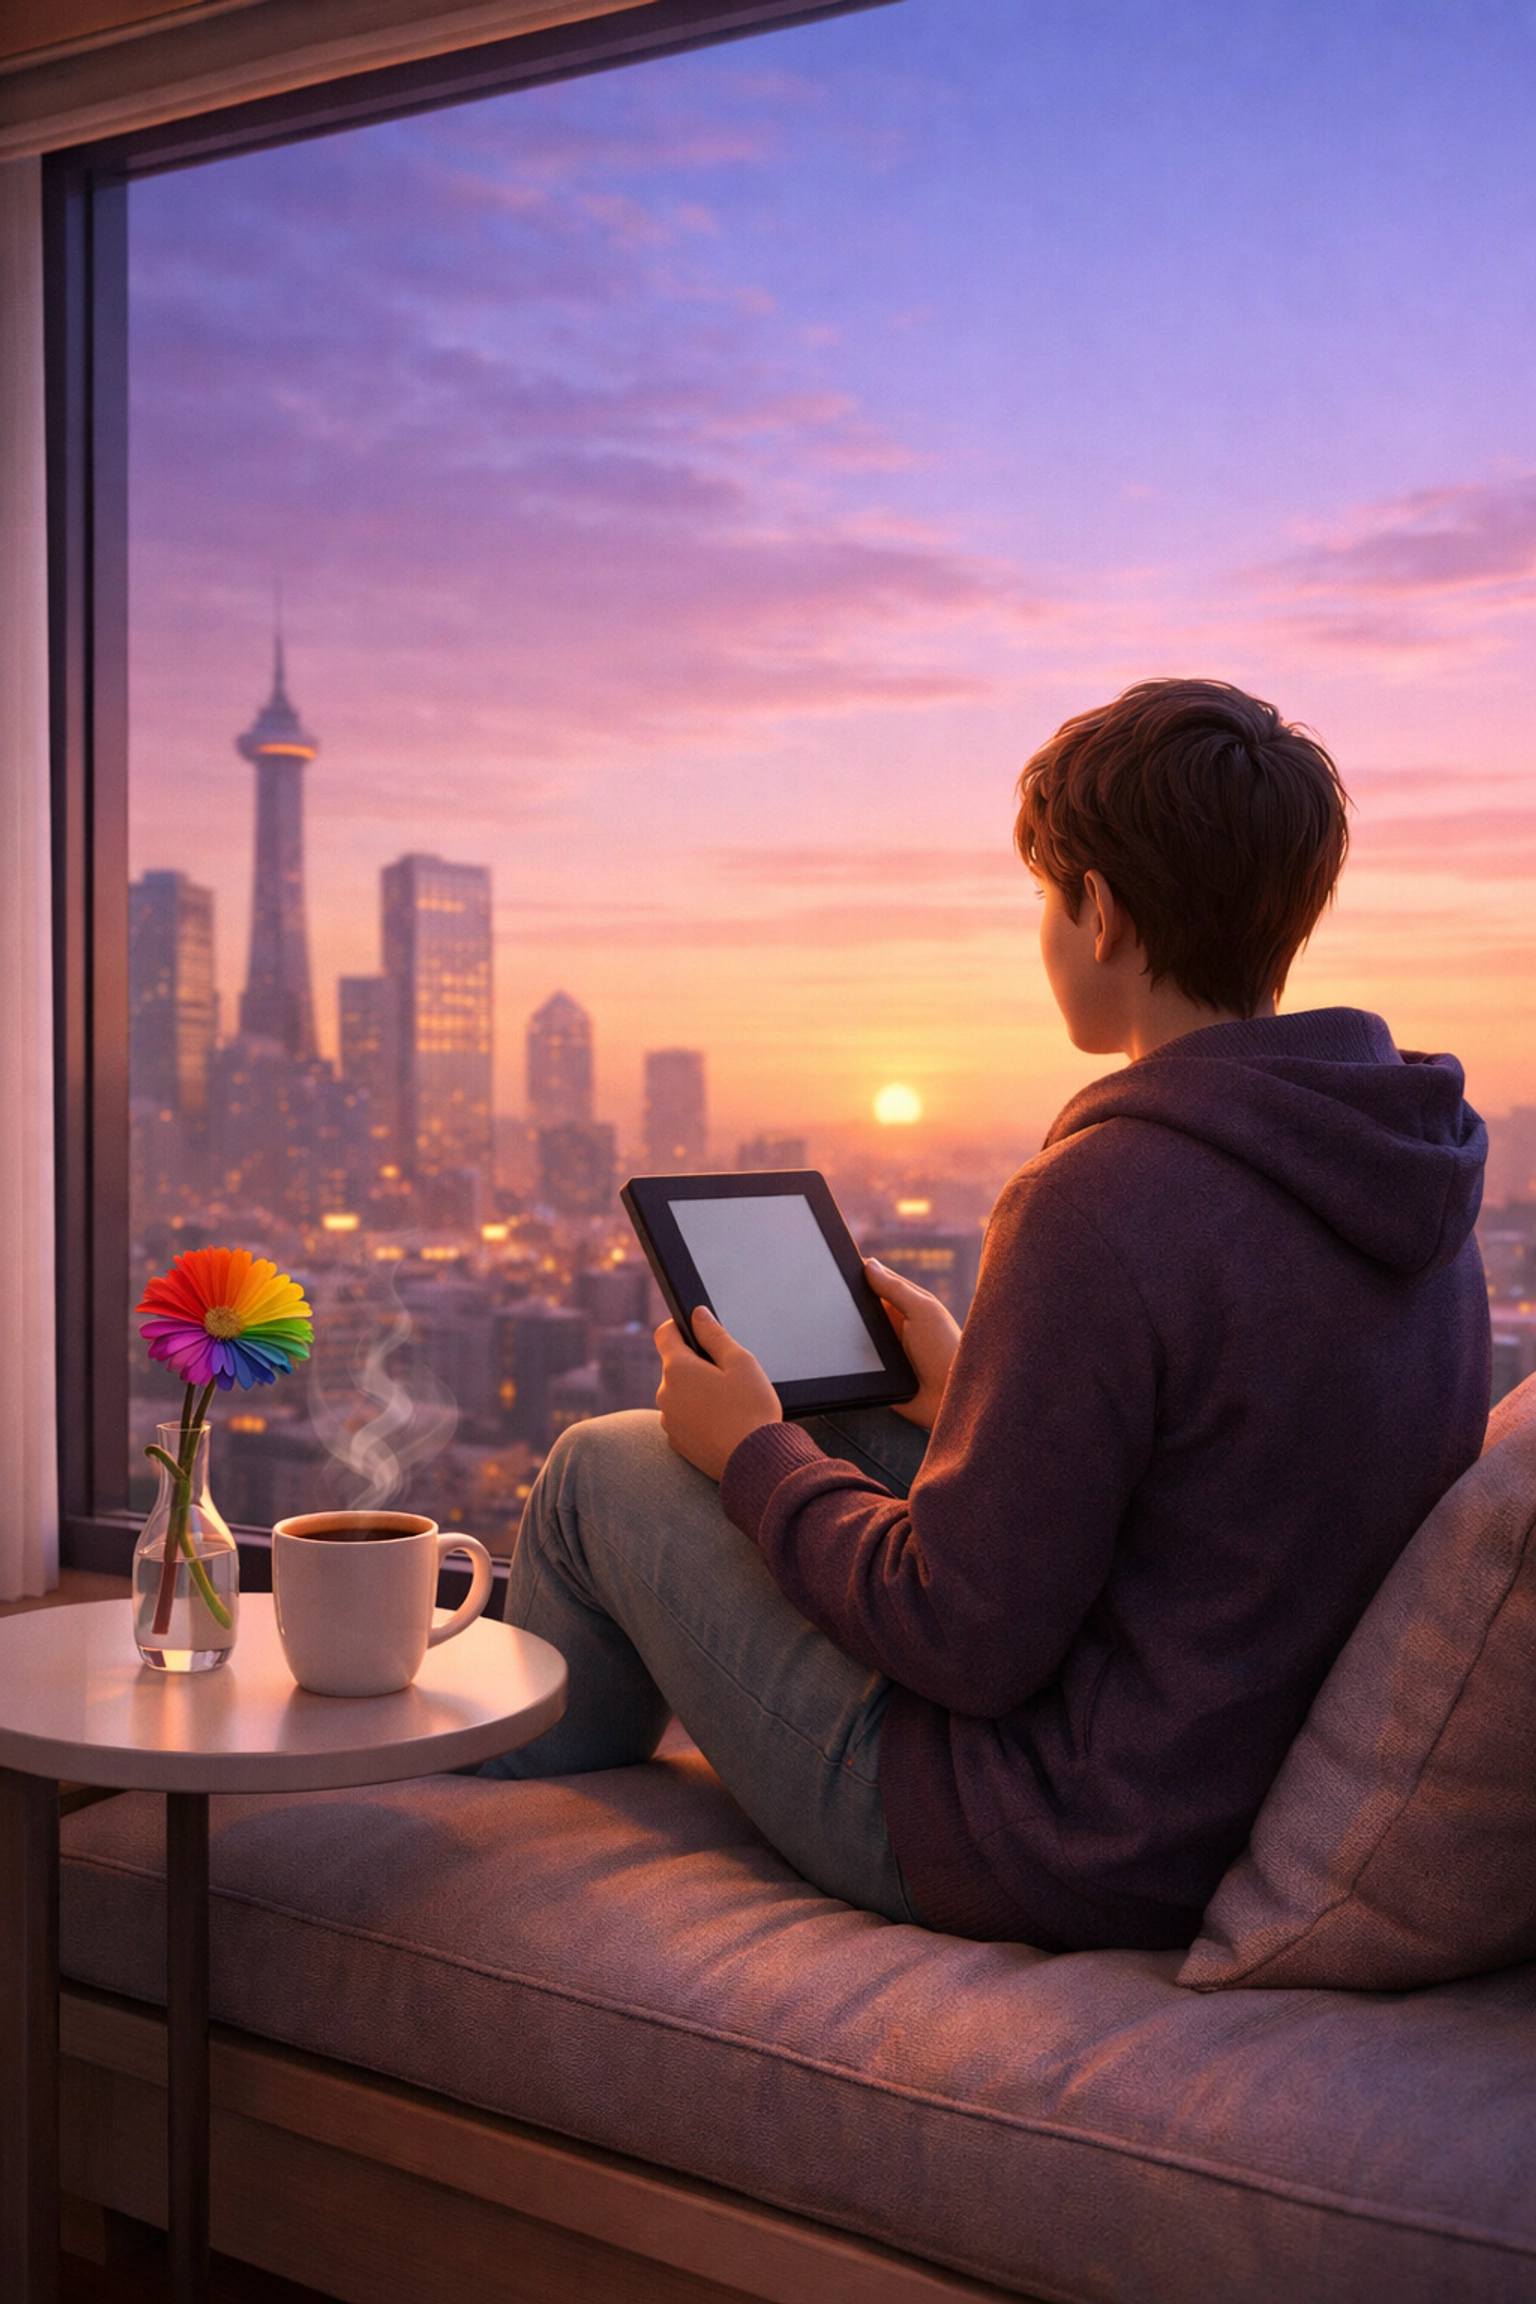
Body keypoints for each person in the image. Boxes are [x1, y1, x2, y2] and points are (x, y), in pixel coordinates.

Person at [480, 678, 1491, 1951]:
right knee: (843, 1439)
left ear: (1102, 911)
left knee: (602, 1466)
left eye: (1046, 898)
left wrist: (752, 1453)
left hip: (1057, 1838)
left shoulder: (1105, 1195)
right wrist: (970, 1391)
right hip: (1225, 1787)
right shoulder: (1409, 1184)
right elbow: (1237, 1487)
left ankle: (482, 1858)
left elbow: (962, 1637)